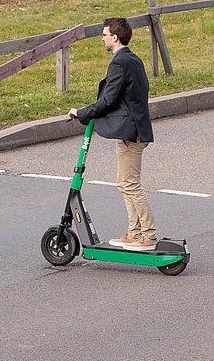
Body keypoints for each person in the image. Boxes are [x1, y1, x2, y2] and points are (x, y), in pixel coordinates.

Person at [66, 17, 156, 252]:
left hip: (131, 133)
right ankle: (134, 233)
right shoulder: (132, 59)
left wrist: (81, 113)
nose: (102, 39)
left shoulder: (119, 63)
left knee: (130, 184)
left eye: (105, 35)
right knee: (124, 183)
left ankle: (148, 235)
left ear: (114, 37)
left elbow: (108, 100)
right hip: (135, 129)